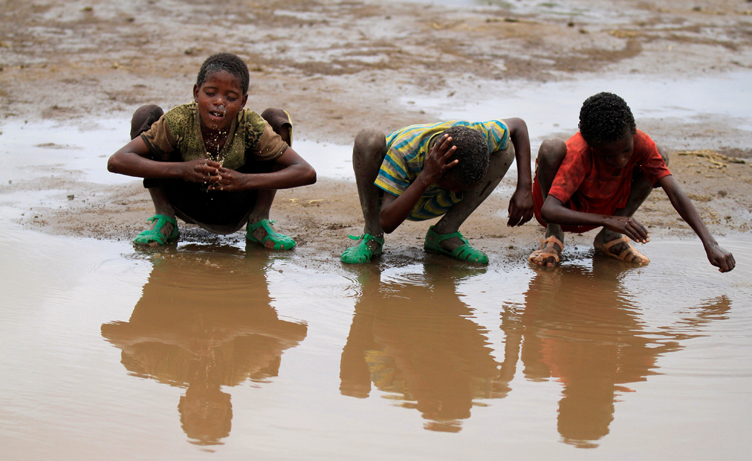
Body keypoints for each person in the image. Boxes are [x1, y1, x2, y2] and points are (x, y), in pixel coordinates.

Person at [108, 52, 316, 249]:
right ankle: (164, 219)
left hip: (236, 204)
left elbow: (306, 172)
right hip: (184, 199)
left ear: (243, 102)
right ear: (196, 93)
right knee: (146, 114)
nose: (219, 102)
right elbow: (117, 161)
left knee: (276, 118)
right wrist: (182, 169)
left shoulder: (250, 125)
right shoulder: (179, 120)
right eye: (210, 93)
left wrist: (244, 181)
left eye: (231, 97)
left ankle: (259, 222)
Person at [529, 91, 735, 272]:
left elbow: (673, 191)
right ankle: (554, 236)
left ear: (633, 132)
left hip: (609, 208)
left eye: (626, 150)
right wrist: (606, 219)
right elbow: (549, 210)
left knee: (659, 158)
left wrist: (711, 243)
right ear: (592, 146)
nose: (620, 161)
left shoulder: (640, 143)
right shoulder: (580, 153)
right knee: (552, 148)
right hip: (564, 212)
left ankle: (609, 237)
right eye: (608, 156)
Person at [341, 118, 534, 264]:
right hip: (398, 200)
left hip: (436, 196)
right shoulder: (404, 152)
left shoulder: (479, 135)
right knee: (368, 138)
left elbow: (518, 125)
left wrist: (525, 188)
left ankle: (444, 234)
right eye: (454, 186)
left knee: (506, 150)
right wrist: (425, 177)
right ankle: (372, 237)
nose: (458, 192)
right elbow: (387, 222)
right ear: (441, 172)